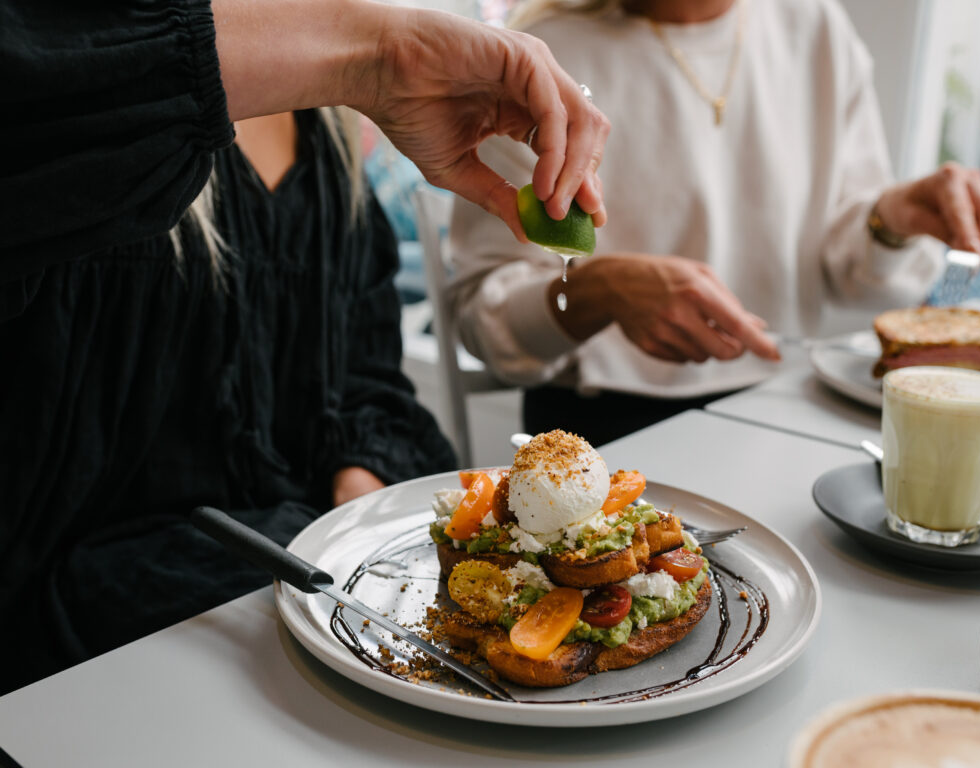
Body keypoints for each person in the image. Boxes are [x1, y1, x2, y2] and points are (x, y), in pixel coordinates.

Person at [0, 0, 610, 693]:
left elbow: (362, 375)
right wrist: (380, 55)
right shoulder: (77, 90)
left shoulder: (330, 138)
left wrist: (359, 495)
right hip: (81, 619)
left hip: (296, 568)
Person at [449, 0, 980, 446]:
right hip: (605, 432)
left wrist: (889, 221)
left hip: (788, 411)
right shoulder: (543, 55)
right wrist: (597, 290)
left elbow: (856, 282)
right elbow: (485, 321)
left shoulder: (815, 28)